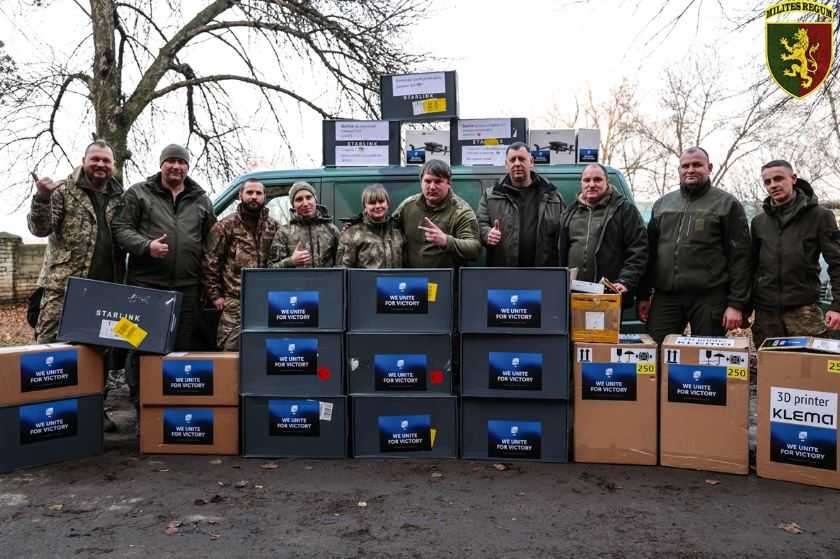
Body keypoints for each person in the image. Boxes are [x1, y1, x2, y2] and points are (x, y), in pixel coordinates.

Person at [27, 139, 124, 432]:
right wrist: (41, 198)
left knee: (100, 352)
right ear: (84, 161)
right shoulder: (63, 191)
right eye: (95, 159)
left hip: (105, 290)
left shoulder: (120, 196)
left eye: (106, 161)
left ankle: (96, 408)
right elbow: (39, 228)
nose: (100, 165)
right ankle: (45, 414)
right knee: (50, 349)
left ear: (113, 166)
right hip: (63, 286)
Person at [113, 144, 216, 408]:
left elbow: (211, 241)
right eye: (170, 161)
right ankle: (141, 406)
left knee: (181, 348)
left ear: (187, 167)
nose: (175, 166)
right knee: (139, 346)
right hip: (145, 286)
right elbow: (121, 228)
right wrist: (146, 246)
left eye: (181, 162)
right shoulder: (139, 193)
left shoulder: (201, 199)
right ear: (161, 164)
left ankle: (173, 405)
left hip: (187, 287)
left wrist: (208, 282)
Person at [637, 147, 751, 343]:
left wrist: (736, 304)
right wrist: (644, 295)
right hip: (667, 296)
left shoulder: (727, 204)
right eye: (685, 166)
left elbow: (741, 258)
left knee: (706, 359)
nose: (690, 170)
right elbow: (650, 254)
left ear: (709, 168)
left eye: (697, 165)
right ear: (679, 170)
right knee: (654, 351)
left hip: (709, 297)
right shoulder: (663, 204)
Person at [750, 160, 840, 346]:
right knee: (770, 369)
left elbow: (837, 262)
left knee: (810, 370)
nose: (773, 185)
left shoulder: (820, 217)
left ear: (793, 179)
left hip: (804, 310)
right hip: (766, 313)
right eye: (767, 182)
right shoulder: (759, 222)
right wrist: (743, 306)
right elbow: (750, 266)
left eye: (778, 179)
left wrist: (837, 306)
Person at [202, 179, 279, 350]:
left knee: (266, 350)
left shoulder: (273, 226)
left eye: (258, 193)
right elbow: (210, 261)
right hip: (234, 301)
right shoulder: (225, 226)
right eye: (249, 193)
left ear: (264, 197)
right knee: (229, 349)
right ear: (240, 196)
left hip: (267, 301)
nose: (254, 197)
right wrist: (215, 295)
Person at [558, 163, 648, 305]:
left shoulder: (624, 210)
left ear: (607, 182)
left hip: (609, 296)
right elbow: (560, 253)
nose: (591, 184)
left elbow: (639, 250)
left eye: (597, 180)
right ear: (581, 183)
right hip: (574, 296)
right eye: (587, 180)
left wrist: (625, 280)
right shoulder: (570, 212)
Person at [478, 142, 565, 266]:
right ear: (506, 165)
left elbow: (564, 233)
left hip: (543, 274)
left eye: (522, 159)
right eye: (512, 160)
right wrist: (487, 234)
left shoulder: (553, 197)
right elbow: (480, 225)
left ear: (531, 162)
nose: (517, 163)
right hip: (504, 273)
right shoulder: (490, 196)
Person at [394, 159, 480, 268]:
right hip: (412, 281)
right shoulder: (408, 206)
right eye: (428, 181)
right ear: (421, 182)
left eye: (438, 181)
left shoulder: (461, 211)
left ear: (449, 183)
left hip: (446, 281)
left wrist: (445, 240)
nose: (432, 187)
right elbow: (388, 228)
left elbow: (475, 249)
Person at [268, 181, 339, 268]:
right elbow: (271, 268)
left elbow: (343, 265)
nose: (305, 203)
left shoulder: (331, 229)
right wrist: (291, 261)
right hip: (296, 281)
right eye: (299, 199)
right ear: (293, 205)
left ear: (315, 200)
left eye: (309, 197)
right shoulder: (284, 233)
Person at [336, 183, 404, 268]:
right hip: (366, 281)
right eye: (372, 203)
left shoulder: (397, 230)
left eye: (381, 201)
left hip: (395, 281)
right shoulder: (352, 233)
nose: (378, 206)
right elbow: (343, 269)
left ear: (387, 204)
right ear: (365, 207)